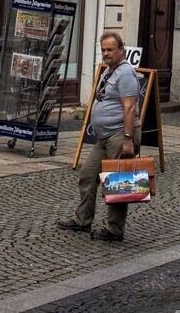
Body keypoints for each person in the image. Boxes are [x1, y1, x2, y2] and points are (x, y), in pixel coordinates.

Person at [59, 32, 144, 241]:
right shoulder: (109, 71)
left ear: (121, 50)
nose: (106, 53)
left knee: (117, 182)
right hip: (104, 137)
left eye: (110, 50)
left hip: (118, 135)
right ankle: (83, 221)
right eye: (103, 49)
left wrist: (127, 139)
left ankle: (115, 230)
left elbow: (130, 107)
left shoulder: (125, 74)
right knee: (88, 175)